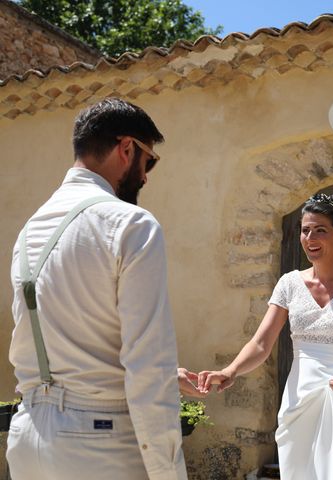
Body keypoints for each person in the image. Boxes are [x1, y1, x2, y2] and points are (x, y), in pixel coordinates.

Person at [7, 98, 202, 480]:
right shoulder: (132, 225)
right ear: (127, 148)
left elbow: (60, 335)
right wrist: (168, 471)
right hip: (99, 444)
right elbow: (148, 364)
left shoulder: (30, 229)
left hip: (27, 437)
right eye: (149, 162)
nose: (145, 177)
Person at [198, 193, 333, 479]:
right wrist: (230, 370)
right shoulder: (289, 284)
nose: (310, 237)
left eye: (320, 230)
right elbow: (261, 343)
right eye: (305, 230)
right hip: (297, 402)